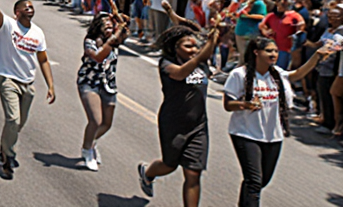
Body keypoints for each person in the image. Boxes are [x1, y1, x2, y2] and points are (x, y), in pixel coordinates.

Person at [223, 37, 330, 207]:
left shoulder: (278, 74)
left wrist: (317, 56)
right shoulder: (239, 74)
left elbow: (298, 73)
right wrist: (246, 104)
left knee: (261, 181)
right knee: (254, 181)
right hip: (245, 133)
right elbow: (228, 105)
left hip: (273, 136)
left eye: (275, 50)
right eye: (269, 51)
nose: (273, 54)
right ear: (256, 52)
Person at [138, 24, 220, 206]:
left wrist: (216, 29)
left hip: (198, 126)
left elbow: (192, 30)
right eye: (188, 47)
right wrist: (201, 54)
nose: (194, 50)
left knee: (193, 173)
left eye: (196, 46)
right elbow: (181, 74)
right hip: (173, 124)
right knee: (169, 165)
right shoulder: (166, 64)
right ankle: (148, 173)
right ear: (175, 47)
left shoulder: (201, 62)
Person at [0, 0, 55, 180]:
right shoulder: (8, 25)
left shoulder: (38, 33)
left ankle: (3, 150)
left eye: (31, 6)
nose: (29, 8)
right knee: (12, 119)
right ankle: (8, 159)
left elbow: (43, 60)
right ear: (16, 13)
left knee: (18, 124)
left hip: (28, 82)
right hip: (7, 78)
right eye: (25, 6)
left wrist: (50, 86)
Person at [76, 10, 128, 171]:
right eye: (105, 25)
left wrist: (120, 20)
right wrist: (114, 36)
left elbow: (126, 30)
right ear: (97, 26)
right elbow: (98, 57)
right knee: (96, 120)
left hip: (108, 85)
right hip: (89, 82)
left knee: (107, 123)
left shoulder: (115, 40)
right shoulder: (90, 41)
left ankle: (91, 142)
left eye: (111, 25)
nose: (110, 27)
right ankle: (87, 151)